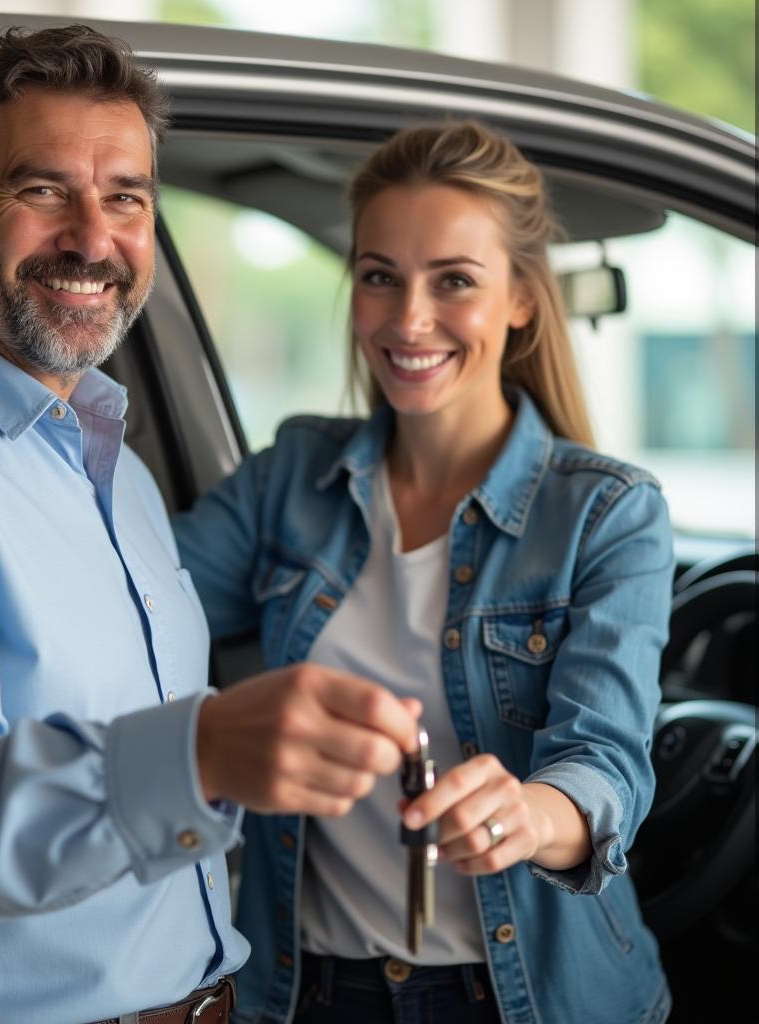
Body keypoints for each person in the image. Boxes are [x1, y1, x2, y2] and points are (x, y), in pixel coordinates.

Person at [0, 25, 424, 1024]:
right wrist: (199, 756)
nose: (94, 239)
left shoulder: (106, 457)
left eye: (126, 197)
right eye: (42, 188)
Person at [174, 121, 674, 1024]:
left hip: (525, 999)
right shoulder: (292, 476)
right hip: (307, 991)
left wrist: (534, 812)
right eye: (379, 278)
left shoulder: (606, 512)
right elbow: (134, 614)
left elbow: (606, 762)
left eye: (454, 281)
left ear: (522, 299)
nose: (409, 319)